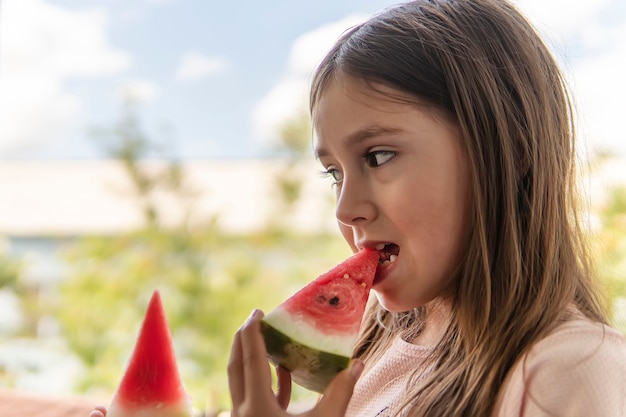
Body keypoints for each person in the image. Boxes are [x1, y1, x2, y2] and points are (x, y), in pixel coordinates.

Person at [90, 1, 626, 416]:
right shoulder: (377, 343)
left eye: (378, 155)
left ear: (510, 149)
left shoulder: (573, 368)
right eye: (334, 173)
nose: (346, 209)